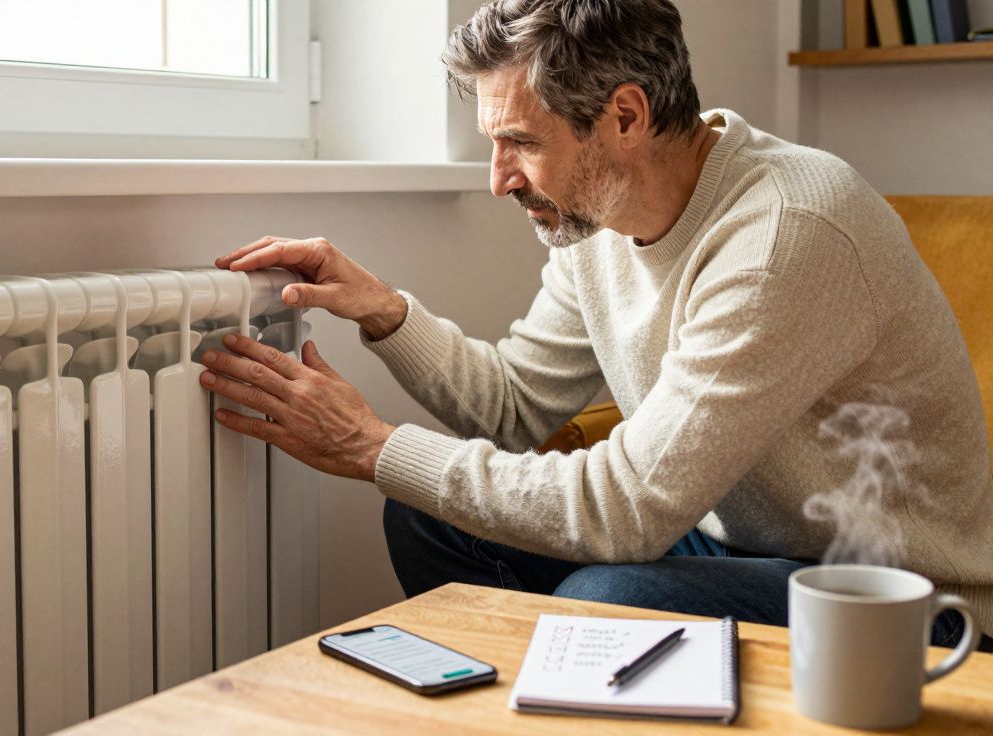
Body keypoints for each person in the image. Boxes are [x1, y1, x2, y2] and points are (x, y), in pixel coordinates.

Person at [197, 0, 993, 649]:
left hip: (900, 594)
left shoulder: (785, 233)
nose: (498, 178)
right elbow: (513, 407)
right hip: (729, 540)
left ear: (625, 115)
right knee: (428, 513)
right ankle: (551, 700)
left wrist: (371, 446)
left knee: (612, 596)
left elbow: (628, 509)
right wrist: (384, 308)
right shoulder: (597, 219)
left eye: (519, 142)